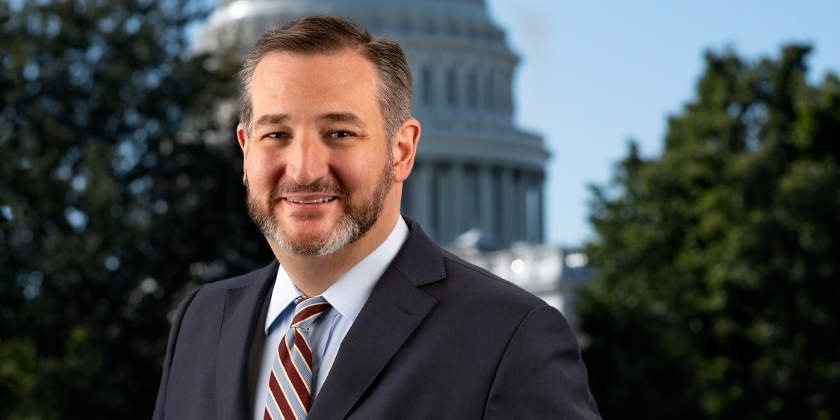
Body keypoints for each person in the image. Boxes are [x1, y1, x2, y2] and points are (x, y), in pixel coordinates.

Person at [153, 15, 600, 420]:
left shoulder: (509, 336)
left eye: (340, 133)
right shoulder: (201, 322)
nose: (305, 169)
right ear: (245, 149)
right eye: (277, 134)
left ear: (401, 150)